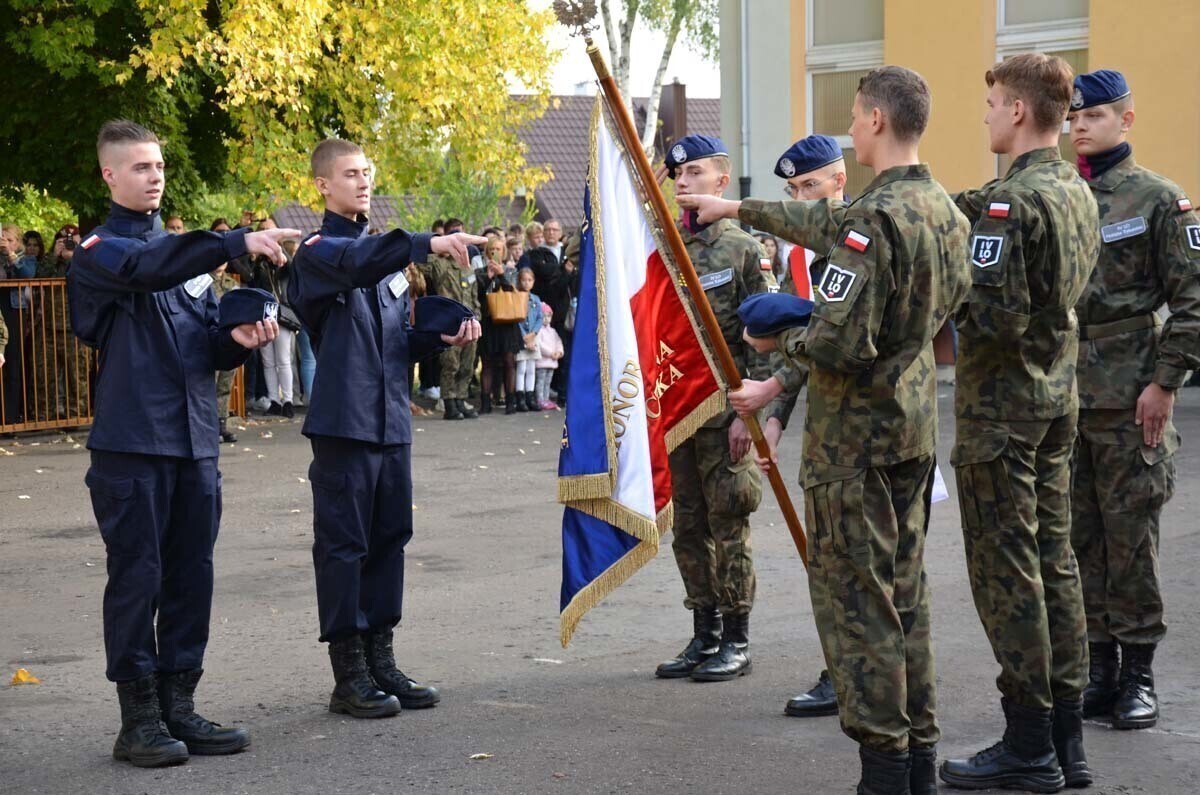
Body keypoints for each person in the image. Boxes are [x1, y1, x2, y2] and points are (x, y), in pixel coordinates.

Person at [680, 66, 972, 795]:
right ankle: (918, 761)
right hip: (911, 430)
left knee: (856, 605)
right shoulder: (944, 209)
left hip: (855, 446)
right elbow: (825, 229)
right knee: (906, 599)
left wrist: (777, 369)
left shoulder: (874, 221)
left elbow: (839, 339)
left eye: (856, 114)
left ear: (873, 120)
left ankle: (882, 770)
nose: (852, 124)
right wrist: (735, 206)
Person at [69, 119, 295, 768]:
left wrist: (237, 343)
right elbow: (146, 267)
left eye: (159, 164)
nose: (155, 174)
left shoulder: (184, 256)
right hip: (133, 443)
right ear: (109, 175)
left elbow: (201, 343)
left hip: (195, 441)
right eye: (139, 166)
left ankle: (179, 704)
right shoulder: (99, 251)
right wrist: (227, 240)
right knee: (137, 577)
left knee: (192, 574)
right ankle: (137, 717)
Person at [939, 54, 1100, 792]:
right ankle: (1067, 738)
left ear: (1020, 112)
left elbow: (996, 316)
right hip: (1054, 399)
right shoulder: (1074, 188)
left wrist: (941, 308)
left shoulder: (1012, 203)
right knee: (1056, 564)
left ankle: (1029, 742)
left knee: (1010, 578)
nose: (986, 113)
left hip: (1001, 412)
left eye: (993, 100)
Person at [287, 137, 483, 720]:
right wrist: (424, 243)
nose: (363, 182)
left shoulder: (380, 256)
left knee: (390, 539)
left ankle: (381, 658)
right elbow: (358, 263)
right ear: (323, 185)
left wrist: (438, 337)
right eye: (350, 174)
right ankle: (348, 673)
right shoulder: (321, 251)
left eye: (368, 172)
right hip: (345, 422)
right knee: (344, 547)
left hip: (391, 420)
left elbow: (393, 343)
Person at [1066, 70, 1200, 733]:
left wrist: (1166, 381)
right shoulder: (1062, 194)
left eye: (1093, 116)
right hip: (1067, 396)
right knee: (1079, 537)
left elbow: (1193, 300)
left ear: (1127, 119)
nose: (1080, 127)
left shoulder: (1158, 199)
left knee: (1132, 537)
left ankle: (1139, 673)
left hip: (1131, 393)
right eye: (1073, 118)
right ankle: (1100, 669)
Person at [729, 134, 849, 720]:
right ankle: (844, 671)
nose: (802, 199)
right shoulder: (802, 255)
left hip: (881, 417)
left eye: (811, 187)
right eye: (794, 190)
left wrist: (771, 390)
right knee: (832, 559)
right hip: (832, 421)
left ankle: (874, 678)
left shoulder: (858, 238)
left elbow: (834, 339)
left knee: (875, 561)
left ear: (839, 183)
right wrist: (776, 419)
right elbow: (802, 349)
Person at [646, 134, 772, 687]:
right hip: (677, 410)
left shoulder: (741, 248)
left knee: (730, 525)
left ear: (721, 181)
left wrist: (752, 410)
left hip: (724, 411)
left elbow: (765, 333)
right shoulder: (662, 248)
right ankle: (704, 631)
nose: (683, 181)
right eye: (677, 174)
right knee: (688, 527)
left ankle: (737, 638)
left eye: (695, 172)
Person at [416, 221, 482, 421]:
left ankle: (461, 399)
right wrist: (439, 246)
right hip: (449, 321)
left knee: (467, 364)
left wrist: (477, 315)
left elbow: (474, 294)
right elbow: (420, 261)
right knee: (450, 364)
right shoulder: (440, 264)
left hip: (469, 321)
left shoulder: (467, 268)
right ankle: (449, 402)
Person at [34, 225, 91, 422]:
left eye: (71, 239)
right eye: (63, 239)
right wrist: (54, 256)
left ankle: (76, 414)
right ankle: (46, 415)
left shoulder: (86, 258)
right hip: (49, 326)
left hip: (75, 326)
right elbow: (39, 276)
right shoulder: (51, 261)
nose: (67, 243)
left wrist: (76, 254)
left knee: (77, 375)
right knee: (46, 374)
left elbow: (89, 275)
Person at [251, 219, 301, 418]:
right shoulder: (259, 262)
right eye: (262, 230)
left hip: (282, 313)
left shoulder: (283, 259)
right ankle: (274, 400)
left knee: (283, 359)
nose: (265, 233)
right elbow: (252, 278)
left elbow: (293, 270)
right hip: (263, 313)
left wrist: (280, 252)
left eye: (269, 230)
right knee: (268, 360)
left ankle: (287, 400)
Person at [477, 237, 520, 414]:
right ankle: (485, 402)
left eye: (499, 249)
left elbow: (513, 294)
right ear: (487, 252)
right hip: (488, 322)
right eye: (492, 249)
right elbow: (478, 295)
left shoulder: (511, 271)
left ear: (504, 252)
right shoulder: (480, 272)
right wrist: (488, 278)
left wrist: (501, 275)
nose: (495, 252)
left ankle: (510, 401)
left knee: (509, 362)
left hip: (507, 322)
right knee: (486, 363)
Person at [210, 263, 241, 443]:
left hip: (229, 337)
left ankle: (222, 425)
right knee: (209, 384)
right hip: (210, 336)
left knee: (225, 384)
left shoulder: (231, 283)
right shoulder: (201, 281)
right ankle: (210, 426)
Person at [512, 266, 542, 412]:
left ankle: (531, 396)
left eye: (529, 280)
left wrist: (534, 333)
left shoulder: (535, 299)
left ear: (534, 282)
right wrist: (524, 335)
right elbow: (516, 318)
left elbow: (540, 317)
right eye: (523, 280)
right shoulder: (516, 297)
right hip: (521, 338)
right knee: (521, 367)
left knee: (531, 368)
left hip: (533, 337)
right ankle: (520, 397)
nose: (526, 283)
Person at [534, 302, 563, 410]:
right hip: (542, 361)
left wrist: (559, 352)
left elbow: (558, 342)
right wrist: (551, 353)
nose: (546, 319)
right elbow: (540, 345)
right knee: (540, 381)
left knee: (547, 382)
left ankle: (546, 399)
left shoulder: (553, 331)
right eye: (543, 316)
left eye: (548, 316)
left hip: (551, 362)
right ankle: (540, 399)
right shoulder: (538, 331)